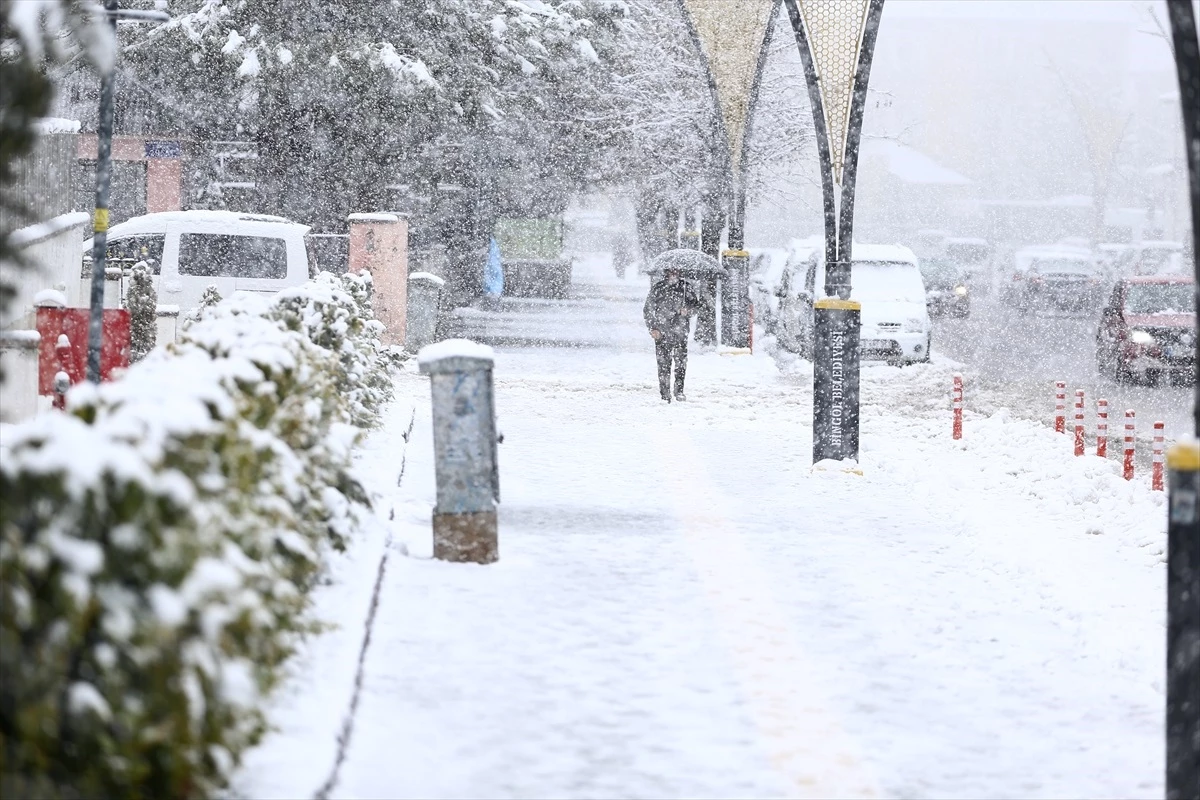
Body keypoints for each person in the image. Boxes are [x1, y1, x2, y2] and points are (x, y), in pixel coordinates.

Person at [643, 267, 700, 402]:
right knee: (663, 363)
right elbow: (648, 309)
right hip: (662, 331)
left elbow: (696, 307)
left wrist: (688, 311)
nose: (674, 274)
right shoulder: (658, 288)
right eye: (671, 271)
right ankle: (665, 392)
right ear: (666, 272)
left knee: (680, 363)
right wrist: (653, 328)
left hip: (680, 331)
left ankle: (679, 390)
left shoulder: (686, 288)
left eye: (677, 271)